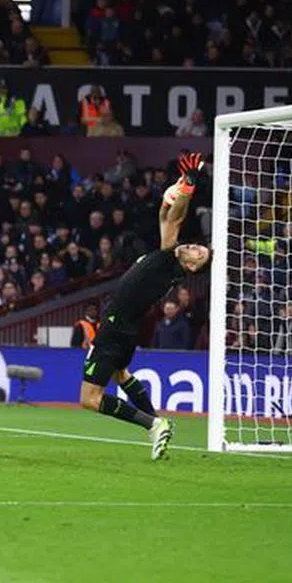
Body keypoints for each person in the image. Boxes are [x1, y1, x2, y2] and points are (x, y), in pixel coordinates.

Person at [79, 152, 211, 460]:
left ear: (192, 268)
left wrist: (188, 187)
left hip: (117, 325)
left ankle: (153, 424)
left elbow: (175, 217)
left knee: (89, 398)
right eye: (196, 245)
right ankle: (159, 424)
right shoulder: (170, 255)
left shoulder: (170, 262)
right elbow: (166, 217)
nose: (192, 247)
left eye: (198, 253)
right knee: (120, 375)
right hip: (126, 326)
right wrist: (174, 192)